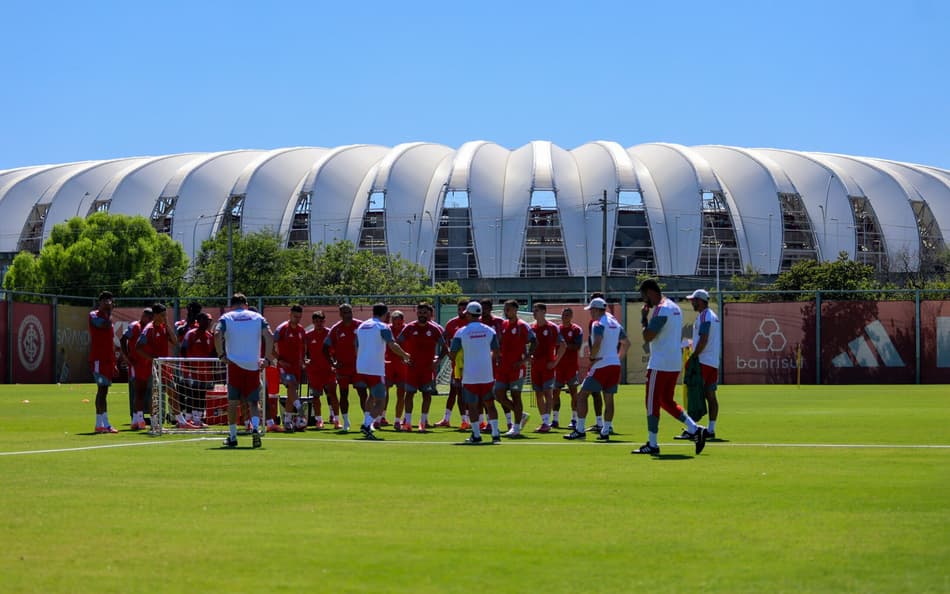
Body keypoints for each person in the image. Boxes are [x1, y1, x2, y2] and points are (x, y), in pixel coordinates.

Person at [633, 279, 707, 456]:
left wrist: (643, 319)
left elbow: (649, 336)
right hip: (673, 363)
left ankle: (652, 443)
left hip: (660, 363)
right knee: (666, 401)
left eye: (644, 297)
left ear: (650, 292)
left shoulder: (661, 309)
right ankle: (695, 429)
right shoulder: (674, 307)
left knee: (651, 403)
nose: (645, 302)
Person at [564, 297, 630, 441]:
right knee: (609, 398)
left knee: (581, 396)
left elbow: (598, 341)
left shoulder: (598, 323)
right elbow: (626, 343)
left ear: (596, 310)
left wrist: (593, 357)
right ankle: (605, 430)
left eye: (591, 310)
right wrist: (617, 359)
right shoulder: (615, 323)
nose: (590, 313)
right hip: (614, 365)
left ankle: (580, 429)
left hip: (601, 365)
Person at [214, 293, 274, 448]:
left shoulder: (226, 317)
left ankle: (233, 436)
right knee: (254, 401)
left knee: (233, 402)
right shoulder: (257, 317)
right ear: (246, 304)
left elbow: (216, 333)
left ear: (231, 305)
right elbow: (269, 336)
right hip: (253, 364)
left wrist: (221, 355)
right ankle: (255, 428)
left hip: (234, 364)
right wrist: (267, 359)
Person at [354, 303, 411, 440]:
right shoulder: (382, 326)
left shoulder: (362, 326)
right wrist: (405, 355)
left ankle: (366, 421)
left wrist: (366, 358)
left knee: (371, 396)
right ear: (385, 314)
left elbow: (357, 345)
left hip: (361, 367)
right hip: (375, 369)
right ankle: (367, 425)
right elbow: (392, 344)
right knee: (381, 400)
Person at [450, 301, 502, 444]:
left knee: (472, 406)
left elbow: (453, 354)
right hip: (487, 374)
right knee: (490, 404)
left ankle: (476, 435)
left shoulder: (461, 332)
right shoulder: (489, 330)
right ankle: (496, 434)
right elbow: (496, 352)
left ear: (468, 314)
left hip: (470, 375)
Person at [675, 289, 721, 440]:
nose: (691, 302)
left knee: (693, 395)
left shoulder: (705, 316)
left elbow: (704, 339)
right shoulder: (711, 316)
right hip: (712, 361)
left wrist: (693, 356)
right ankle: (711, 429)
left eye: (693, 300)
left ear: (700, 301)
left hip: (702, 362)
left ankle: (693, 429)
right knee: (710, 396)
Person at [397, 302, 447, 432]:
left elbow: (445, 347)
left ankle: (423, 422)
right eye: (420, 312)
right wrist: (403, 357)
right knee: (409, 394)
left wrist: (438, 361)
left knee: (427, 395)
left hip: (427, 369)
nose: (422, 315)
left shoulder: (434, 329)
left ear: (429, 314)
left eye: (425, 313)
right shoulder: (409, 328)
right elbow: (397, 343)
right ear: (417, 313)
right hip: (412, 368)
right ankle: (407, 422)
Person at [134, 303, 180, 430]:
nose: (165, 317)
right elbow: (138, 347)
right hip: (152, 368)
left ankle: (180, 420)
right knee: (155, 395)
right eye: (162, 315)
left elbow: (175, 342)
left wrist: (168, 324)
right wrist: (153, 360)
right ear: (155, 315)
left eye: (166, 315)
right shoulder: (149, 329)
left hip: (164, 366)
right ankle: (153, 422)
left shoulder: (164, 327)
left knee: (173, 391)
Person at [495, 299, 536, 437]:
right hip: (503, 367)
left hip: (516, 368)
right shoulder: (504, 324)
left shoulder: (523, 326)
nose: (506, 312)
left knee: (516, 395)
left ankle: (516, 427)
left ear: (515, 310)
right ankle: (521, 415)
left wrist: (525, 359)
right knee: (498, 394)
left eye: (508, 309)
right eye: (505, 309)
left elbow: (534, 341)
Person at [323, 303, 362, 432]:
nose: (347, 315)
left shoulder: (360, 326)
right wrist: (332, 363)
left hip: (358, 368)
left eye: (349, 312)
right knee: (343, 394)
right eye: (344, 312)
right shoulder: (336, 329)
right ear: (340, 314)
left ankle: (368, 421)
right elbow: (325, 347)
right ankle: (345, 421)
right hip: (343, 368)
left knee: (363, 393)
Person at [529, 303, 566, 433]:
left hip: (547, 366)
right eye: (533, 310)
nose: (534, 313)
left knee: (547, 392)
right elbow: (523, 343)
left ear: (544, 312)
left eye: (537, 310)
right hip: (535, 366)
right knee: (538, 393)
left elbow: (563, 345)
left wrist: (555, 362)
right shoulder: (531, 328)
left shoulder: (552, 328)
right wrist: (528, 357)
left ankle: (546, 422)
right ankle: (544, 421)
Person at [434, 298, 470, 428]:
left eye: (464, 309)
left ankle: (471, 419)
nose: (461, 312)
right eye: (459, 309)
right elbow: (443, 341)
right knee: (454, 392)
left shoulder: (473, 322)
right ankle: (449, 419)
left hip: (472, 364)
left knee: (469, 393)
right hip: (456, 365)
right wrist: (442, 356)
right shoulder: (451, 323)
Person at [273, 304, 307, 432]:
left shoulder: (301, 330)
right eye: (295, 316)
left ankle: (287, 421)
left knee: (291, 393)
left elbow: (303, 346)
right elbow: (271, 345)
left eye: (299, 317)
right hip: (284, 366)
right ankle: (300, 412)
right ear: (290, 315)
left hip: (296, 366)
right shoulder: (282, 329)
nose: (297, 319)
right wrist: (280, 360)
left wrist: (303, 361)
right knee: (292, 386)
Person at [89, 291, 119, 433]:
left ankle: (104, 423)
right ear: (99, 303)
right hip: (98, 360)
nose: (108, 302)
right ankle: (99, 423)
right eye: (105, 300)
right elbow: (102, 325)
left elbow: (110, 342)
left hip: (107, 360)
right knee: (101, 390)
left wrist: (114, 362)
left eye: (110, 300)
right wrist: (107, 312)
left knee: (105, 391)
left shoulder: (109, 319)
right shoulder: (94, 315)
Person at [181, 312, 216, 428]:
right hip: (192, 371)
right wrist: (189, 366)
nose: (208, 323)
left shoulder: (210, 336)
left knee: (201, 394)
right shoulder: (191, 334)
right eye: (206, 320)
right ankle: (189, 418)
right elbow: (183, 350)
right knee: (192, 394)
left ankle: (198, 418)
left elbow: (212, 354)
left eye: (210, 321)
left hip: (205, 372)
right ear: (199, 321)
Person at [304, 311, 339, 429]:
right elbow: (303, 351)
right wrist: (305, 360)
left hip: (329, 370)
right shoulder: (308, 336)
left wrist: (335, 363)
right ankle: (319, 420)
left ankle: (336, 419)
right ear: (313, 322)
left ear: (324, 321)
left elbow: (336, 350)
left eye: (321, 321)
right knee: (315, 396)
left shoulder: (330, 334)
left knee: (333, 394)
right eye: (316, 321)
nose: (319, 323)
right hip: (314, 371)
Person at [120, 307, 153, 424]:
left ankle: (143, 417)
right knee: (137, 390)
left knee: (147, 391)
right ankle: (135, 417)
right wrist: (127, 356)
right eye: (147, 317)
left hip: (147, 364)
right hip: (136, 364)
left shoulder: (150, 328)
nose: (149, 320)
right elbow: (123, 339)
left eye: (150, 318)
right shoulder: (135, 326)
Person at [553, 307, 583, 429]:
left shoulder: (576, 329)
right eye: (563, 315)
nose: (564, 317)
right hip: (558, 366)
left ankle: (574, 419)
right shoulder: (557, 329)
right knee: (555, 393)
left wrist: (564, 346)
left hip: (571, 366)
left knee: (573, 393)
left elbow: (577, 346)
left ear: (571, 316)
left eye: (567, 315)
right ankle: (555, 419)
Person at [386, 311, 409, 430]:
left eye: (399, 323)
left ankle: (397, 420)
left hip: (402, 365)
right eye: (395, 323)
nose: (397, 325)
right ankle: (381, 418)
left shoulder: (407, 329)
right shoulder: (387, 329)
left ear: (403, 321)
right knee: (383, 392)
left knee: (401, 393)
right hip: (388, 364)